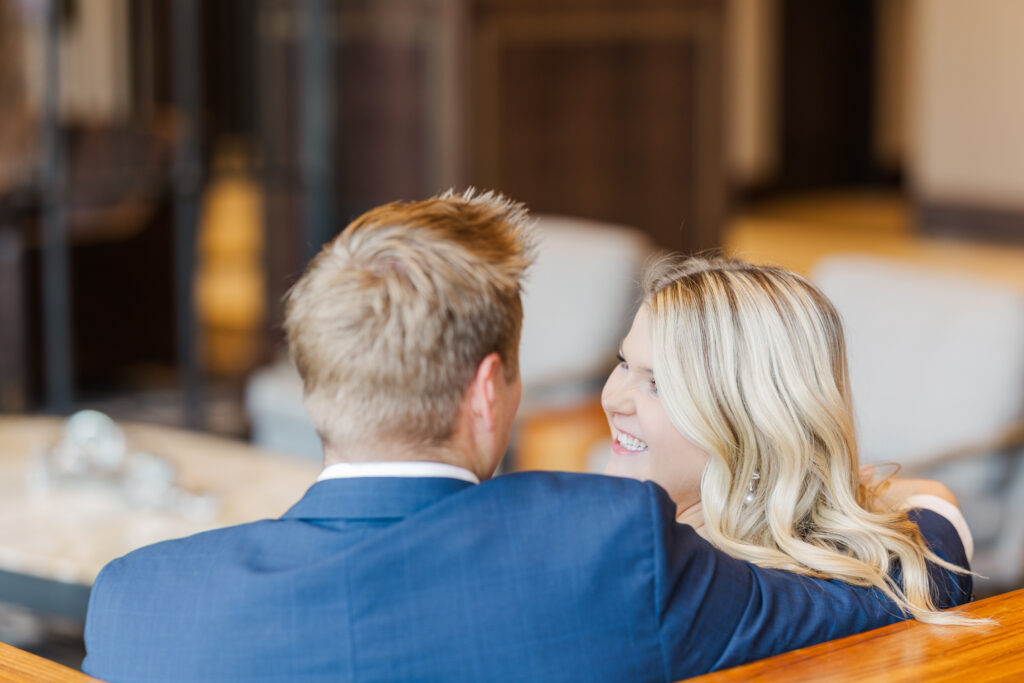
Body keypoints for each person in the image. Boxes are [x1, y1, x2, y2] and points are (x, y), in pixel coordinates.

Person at [83, 192, 971, 683]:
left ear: (315, 383)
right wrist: (926, 512)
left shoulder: (137, 604)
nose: (616, 396)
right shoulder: (604, 546)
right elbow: (881, 591)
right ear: (487, 392)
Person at [602, 255, 975, 624]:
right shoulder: (914, 562)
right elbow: (935, 502)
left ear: (750, 423)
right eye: (623, 363)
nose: (613, 398)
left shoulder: (690, 594)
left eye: (656, 385)